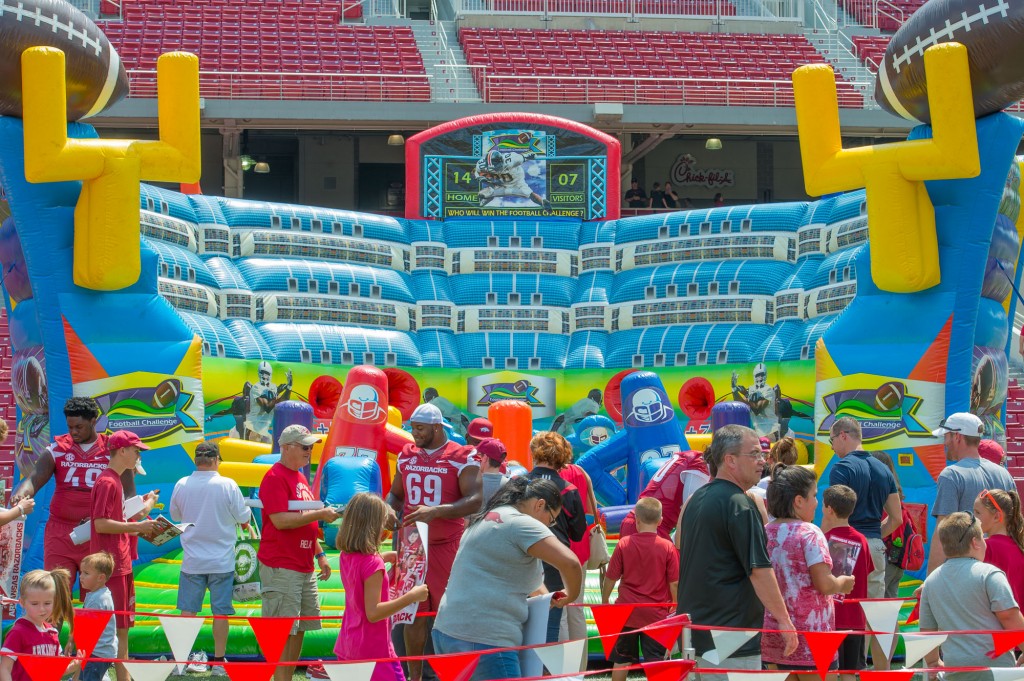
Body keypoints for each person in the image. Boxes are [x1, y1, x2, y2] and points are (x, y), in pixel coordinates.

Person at [433, 477, 583, 681]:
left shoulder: (488, 517)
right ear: (540, 505)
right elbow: (571, 563)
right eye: (552, 519)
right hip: (486, 638)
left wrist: (547, 598)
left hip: (446, 632)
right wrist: (570, 595)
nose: (550, 526)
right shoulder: (521, 523)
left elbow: (525, 580)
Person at [677, 424, 797, 679]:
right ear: (730, 460)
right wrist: (784, 620)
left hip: (695, 632)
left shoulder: (695, 500)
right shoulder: (740, 504)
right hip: (730, 635)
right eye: (754, 454)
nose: (761, 461)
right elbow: (760, 570)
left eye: (762, 454)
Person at [387, 403, 481, 681]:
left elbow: (475, 500)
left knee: (448, 612)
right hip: (412, 544)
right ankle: (414, 677)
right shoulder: (407, 455)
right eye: (413, 428)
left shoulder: (461, 455)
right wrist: (388, 509)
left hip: (446, 543)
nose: (414, 433)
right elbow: (396, 495)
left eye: (420, 428)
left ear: (437, 427)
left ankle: (451, 674)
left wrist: (437, 511)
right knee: (413, 613)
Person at [12, 397, 137, 587]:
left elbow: (129, 495)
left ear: (93, 421)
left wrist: (105, 518)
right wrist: (21, 494)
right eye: (70, 427)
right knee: (56, 591)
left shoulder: (113, 451)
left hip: (97, 534)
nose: (74, 432)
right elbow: (34, 479)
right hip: (60, 533)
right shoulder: (57, 449)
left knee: (95, 594)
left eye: (79, 427)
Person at [257, 425, 341, 681]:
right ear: (286, 447)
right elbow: (281, 521)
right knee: (283, 631)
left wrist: (320, 555)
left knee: (300, 627)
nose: (309, 451)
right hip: (282, 565)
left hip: (303, 565)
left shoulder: (300, 477)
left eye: (311, 446)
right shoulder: (275, 477)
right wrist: (320, 514)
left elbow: (304, 521)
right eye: (305, 446)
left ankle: (286, 677)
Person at [169, 440, 252, 675]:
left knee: (187, 612)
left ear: (196, 460)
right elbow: (243, 516)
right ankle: (218, 662)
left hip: (192, 560)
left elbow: (175, 516)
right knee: (221, 613)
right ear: (216, 460)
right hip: (222, 560)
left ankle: (180, 662)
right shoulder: (228, 484)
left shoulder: (182, 484)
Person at [761, 465, 853, 676]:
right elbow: (825, 584)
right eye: (814, 495)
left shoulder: (764, 532)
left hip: (774, 635)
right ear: (799, 501)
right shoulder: (809, 532)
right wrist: (843, 583)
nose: (817, 502)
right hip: (813, 638)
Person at [826, 416, 901, 669]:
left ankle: (845, 670)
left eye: (832, 441)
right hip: (875, 546)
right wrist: (873, 536)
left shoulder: (841, 468)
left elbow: (834, 514)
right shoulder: (883, 469)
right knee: (875, 616)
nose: (832, 447)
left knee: (842, 612)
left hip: (844, 545)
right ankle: (881, 672)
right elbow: (897, 518)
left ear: (843, 435)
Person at [334, 493, 429, 681]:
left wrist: (383, 557)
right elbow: (374, 612)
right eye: (383, 524)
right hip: (374, 650)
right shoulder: (373, 564)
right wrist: (412, 596)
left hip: (348, 644)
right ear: (374, 526)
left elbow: (359, 577)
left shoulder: (346, 555)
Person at [920, 512, 1024, 681]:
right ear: (975, 542)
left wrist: (933, 661)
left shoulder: (930, 582)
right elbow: (1009, 616)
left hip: (955, 670)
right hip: (996, 671)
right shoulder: (990, 574)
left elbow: (927, 631)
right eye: (983, 538)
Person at [90, 430, 158, 681]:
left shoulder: (115, 480)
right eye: (136, 450)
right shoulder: (108, 481)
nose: (139, 455)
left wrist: (140, 520)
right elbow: (100, 524)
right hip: (111, 565)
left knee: (123, 629)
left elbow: (114, 520)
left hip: (120, 562)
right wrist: (138, 526)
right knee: (115, 629)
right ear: (121, 451)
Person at [601, 497, 678, 681]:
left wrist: (605, 601)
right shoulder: (668, 547)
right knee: (656, 663)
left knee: (621, 661)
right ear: (660, 521)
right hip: (656, 614)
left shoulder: (624, 543)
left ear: (636, 520)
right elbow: (674, 582)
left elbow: (610, 578)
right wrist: (675, 605)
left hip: (626, 612)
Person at [930, 412, 1015, 573]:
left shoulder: (951, 475)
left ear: (957, 437)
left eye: (946, 436)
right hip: (1002, 567)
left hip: (965, 571)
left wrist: (930, 580)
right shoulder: (1004, 474)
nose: (945, 443)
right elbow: (1014, 524)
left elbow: (942, 533)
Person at [525, 432, 587, 643]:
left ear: (535, 452)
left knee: (521, 625)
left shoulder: (518, 483)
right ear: (562, 456)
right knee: (551, 625)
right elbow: (578, 533)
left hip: (522, 557)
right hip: (553, 559)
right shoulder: (568, 490)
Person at [820, 485, 873, 681]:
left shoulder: (822, 540)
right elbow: (867, 570)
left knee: (828, 672)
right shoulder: (862, 540)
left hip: (829, 619)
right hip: (855, 618)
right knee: (849, 673)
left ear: (829, 509)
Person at [559, 453, 600, 670]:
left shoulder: (549, 475)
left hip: (559, 547)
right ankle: (579, 668)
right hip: (580, 545)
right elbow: (591, 509)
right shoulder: (580, 472)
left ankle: (566, 667)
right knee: (576, 608)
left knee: (561, 611)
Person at [0, 568, 78, 681]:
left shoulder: (52, 633)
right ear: (22, 603)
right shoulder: (18, 632)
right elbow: (5, 668)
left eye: (47, 603)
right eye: (34, 603)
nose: (41, 609)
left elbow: (52, 669)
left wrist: (71, 667)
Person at [620, 450, 709, 541]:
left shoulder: (689, 458)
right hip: (649, 529)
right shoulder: (699, 465)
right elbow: (689, 519)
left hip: (635, 522)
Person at [975, 488, 1024, 607]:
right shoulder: (1019, 545)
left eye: (978, 513)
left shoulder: (986, 547)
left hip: (997, 616)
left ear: (996, 516)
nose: (973, 518)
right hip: (1017, 616)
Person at [871, 451, 907, 598]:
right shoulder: (897, 494)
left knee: (877, 598)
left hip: (887, 554)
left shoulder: (882, 495)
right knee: (890, 599)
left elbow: (894, 520)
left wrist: (873, 537)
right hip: (898, 555)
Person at [79, 552, 117, 681]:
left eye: (86, 573)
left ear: (101, 577)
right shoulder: (98, 595)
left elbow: (88, 628)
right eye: (81, 572)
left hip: (97, 653)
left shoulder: (98, 599)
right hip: (97, 651)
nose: (81, 576)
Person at [474, 149, 551, 211]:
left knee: (528, 193)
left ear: (501, 160)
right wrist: (481, 178)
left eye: (497, 166)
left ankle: (543, 203)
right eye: (493, 168)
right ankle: (482, 204)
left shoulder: (513, 159)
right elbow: (476, 172)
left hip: (516, 180)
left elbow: (530, 153)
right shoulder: (481, 165)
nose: (496, 169)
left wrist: (532, 155)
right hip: (500, 182)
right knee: (481, 194)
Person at [478, 438, 510, 507]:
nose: (476, 459)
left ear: (485, 458)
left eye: (479, 455)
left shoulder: (473, 484)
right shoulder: (509, 484)